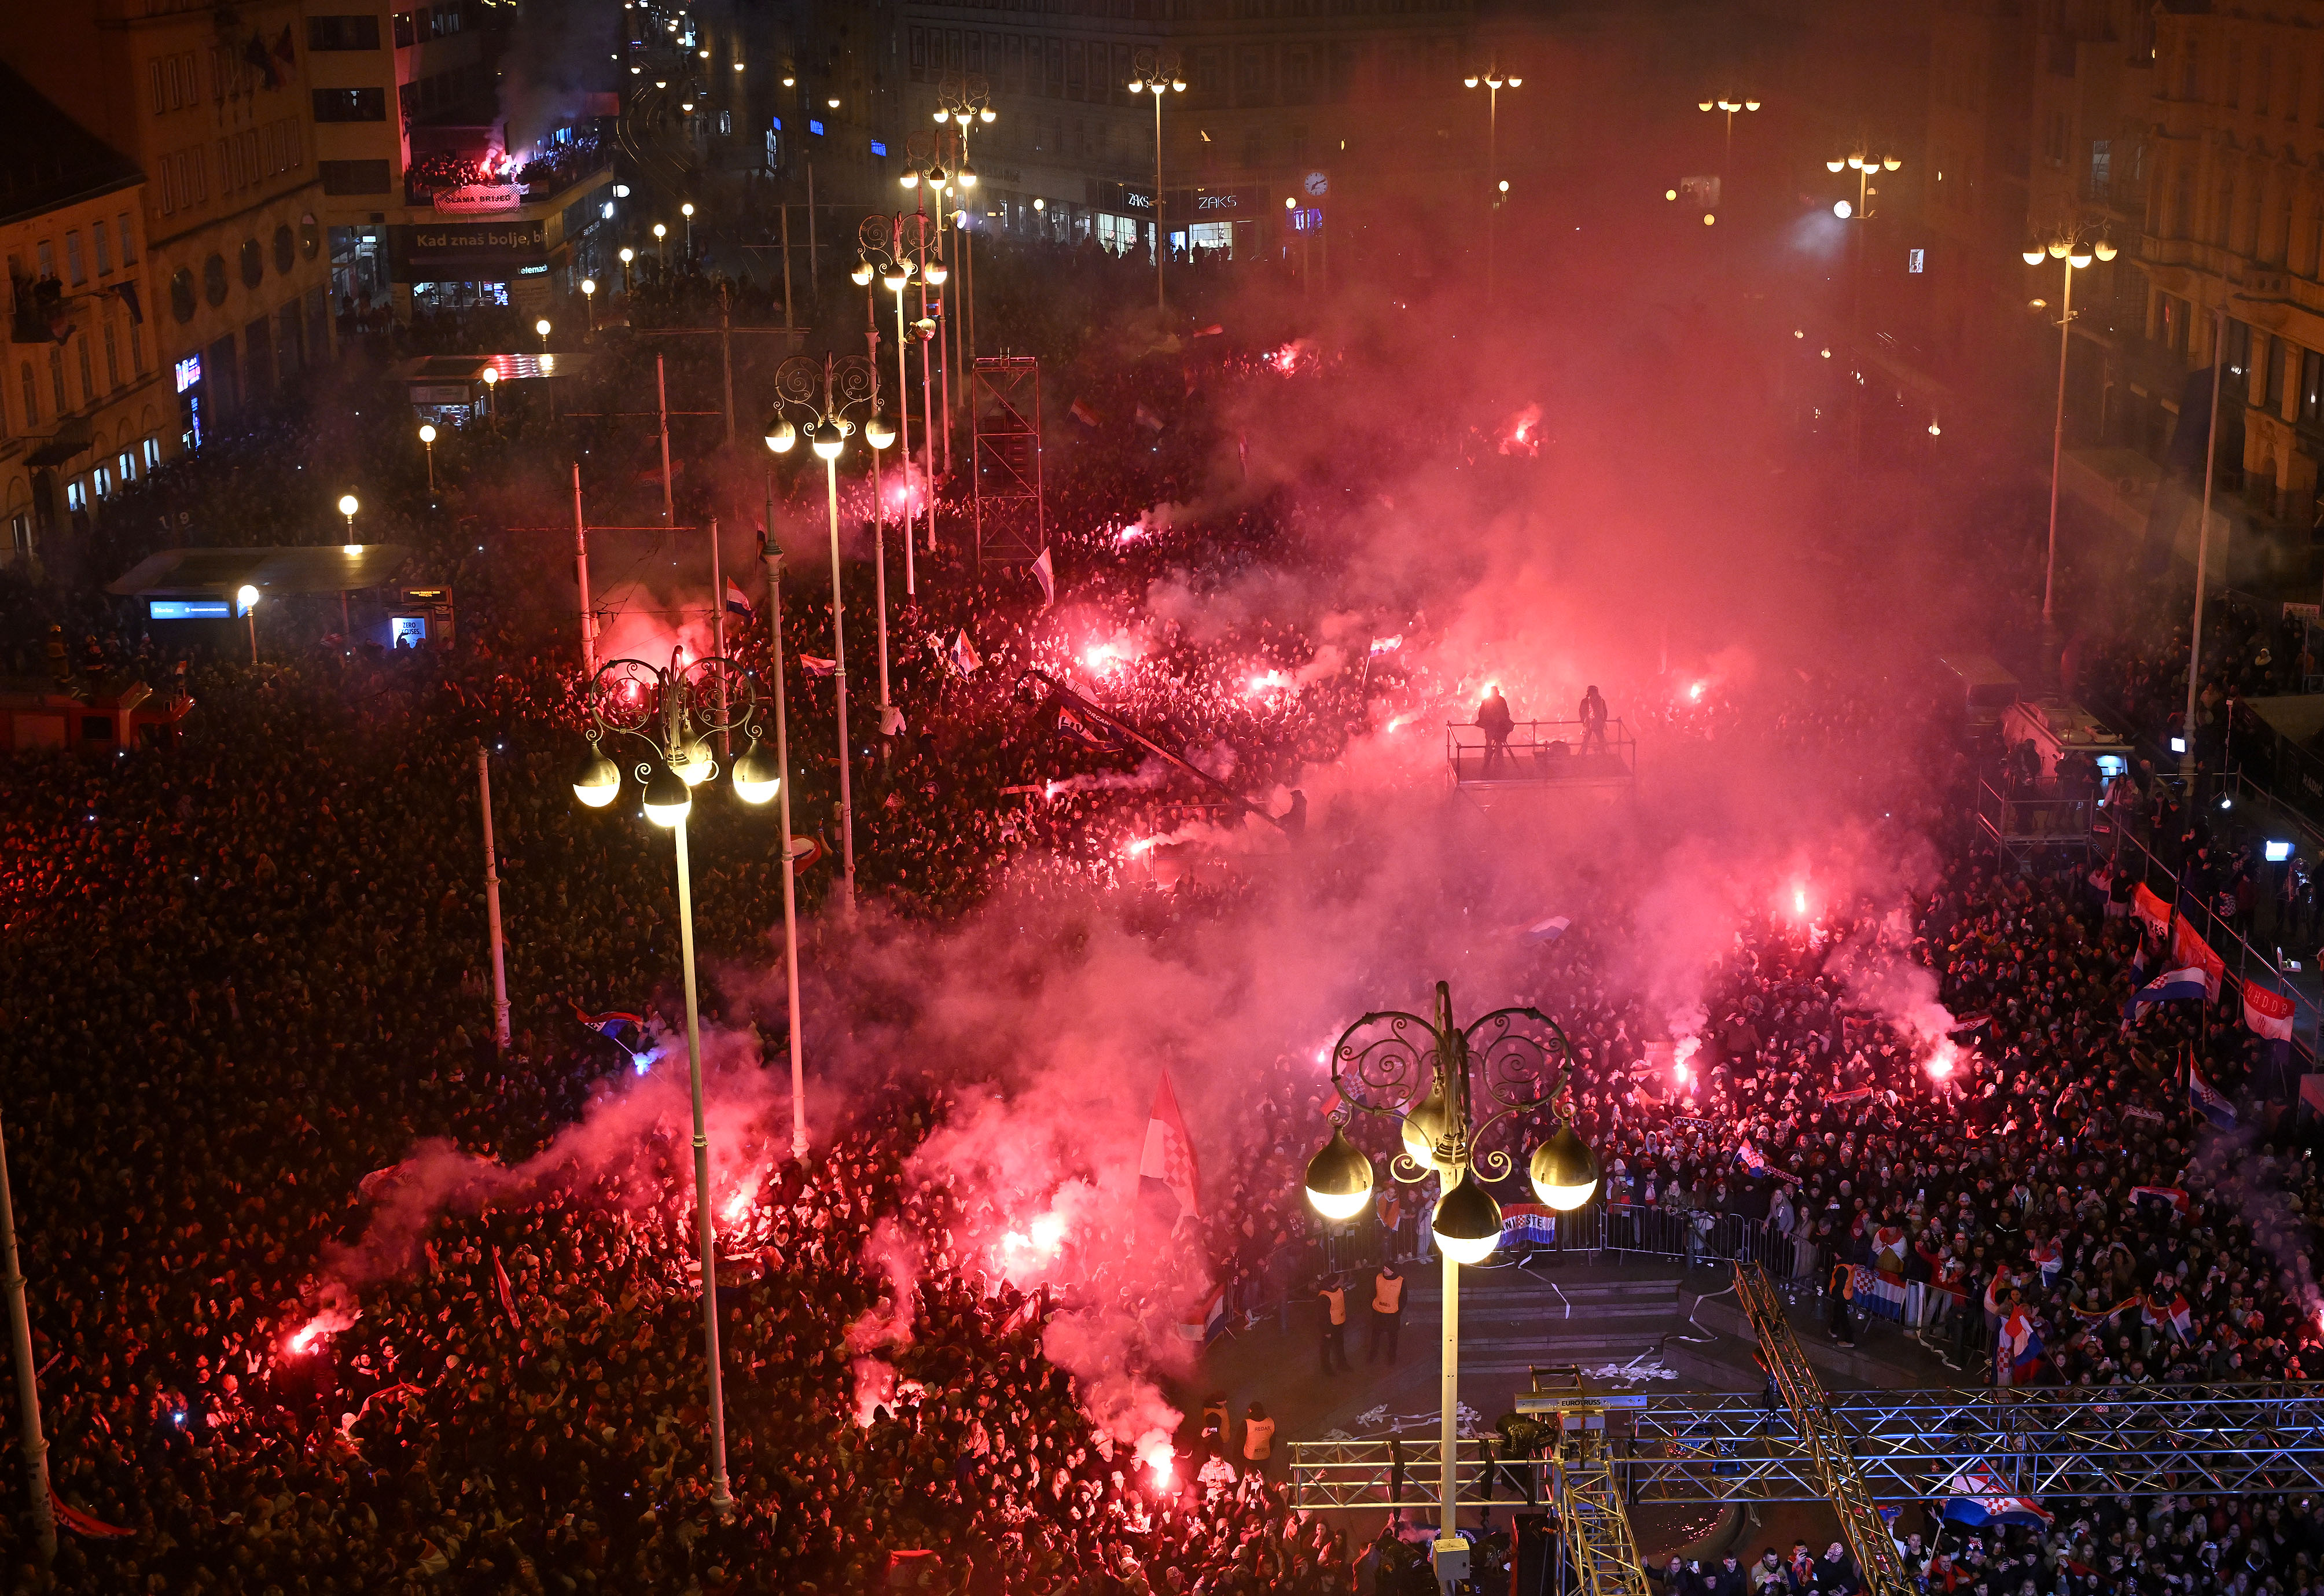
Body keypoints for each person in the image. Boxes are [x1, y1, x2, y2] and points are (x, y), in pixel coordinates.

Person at [1367, 1261, 1404, 1363]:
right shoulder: (1378, 1277)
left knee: (1393, 1336)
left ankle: (1392, 1356)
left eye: (1387, 1269)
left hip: (1393, 1315)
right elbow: (1372, 1292)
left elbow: (1403, 1299)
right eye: (1384, 1268)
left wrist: (1398, 1312)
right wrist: (1373, 1305)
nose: (1384, 1270)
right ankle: (1373, 1354)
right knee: (1376, 1335)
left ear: (1392, 1270)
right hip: (1378, 1313)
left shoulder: (1401, 1281)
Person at [1318, 1273, 1351, 1373]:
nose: (1341, 1281)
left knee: (1340, 1345)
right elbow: (1323, 1317)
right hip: (1331, 1326)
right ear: (1335, 1283)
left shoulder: (1338, 1289)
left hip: (1339, 1323)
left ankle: (1342, 1364)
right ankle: (1326, 1368)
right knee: (1326, 1348)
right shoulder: (1324, 1297)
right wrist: (1327, 1331)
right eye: (1340, 1280)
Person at [1477, 685, 1516, 772]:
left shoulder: (1486, 701)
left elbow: (1481, 715)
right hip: (1499, 727)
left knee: (1489, 744)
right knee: (1499, 744)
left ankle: (1487, 763)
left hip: (1489, 726)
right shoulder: (1501, 700)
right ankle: (1499, 763)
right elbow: (1506, 713)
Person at [1241, 1399, 1276, 1480]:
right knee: (1263, 1476)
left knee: (1251, 1477)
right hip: (1265, 1456)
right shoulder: (1270, 1422)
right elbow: (1273, 1440)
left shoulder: (1246, 1423)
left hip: (1250, 1456)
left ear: (1251, 1410)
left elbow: (1240, 1441)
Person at [1579, 684, 1609, 753]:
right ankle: (1604, 754)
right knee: (1601, 739)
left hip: (1589, 723)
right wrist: (1603, 721)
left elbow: (1581, 711)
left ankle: (1583, 754)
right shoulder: (1601, 701)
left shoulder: (1585, 701)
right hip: (1598, 723)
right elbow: (1605, 711)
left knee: (1586, 740)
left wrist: (1583, 720)